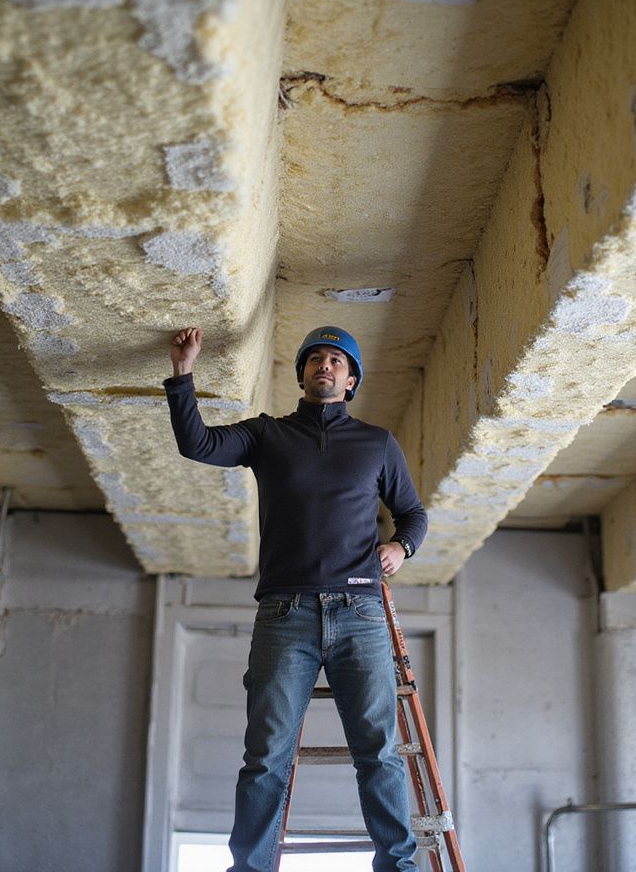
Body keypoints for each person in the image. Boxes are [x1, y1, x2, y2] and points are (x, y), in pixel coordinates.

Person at [165, 325, 427, 872]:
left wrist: (401, 547)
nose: (325, 366)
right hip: (286, 614)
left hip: (361, 613)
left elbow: (413, 514)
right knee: (264, 758)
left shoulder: (377, 443)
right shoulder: (268, 435)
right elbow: (198, 444)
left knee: (379, 754)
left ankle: (399, 867)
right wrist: (183, 371)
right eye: (316, 360)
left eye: (336, 361)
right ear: (303, 374)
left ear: (350, 379)